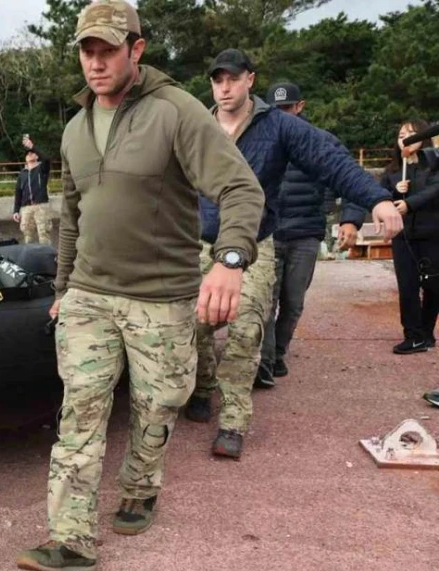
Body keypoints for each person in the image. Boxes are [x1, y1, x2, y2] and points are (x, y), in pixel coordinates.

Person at [15, 0, 266, 571]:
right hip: (89, 297)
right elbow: (73, 217)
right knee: (80, 409)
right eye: (87, 51)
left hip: (163, 299)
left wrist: (228, 261)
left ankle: (142, 484)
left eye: (108, 49)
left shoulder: (176, 112)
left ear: (137, 48)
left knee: (158, 405)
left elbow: (240, 190)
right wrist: (63, 287)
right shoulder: (75, 128)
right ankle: (71, 538)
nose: (97, 62)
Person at [186, 49, 402, 460]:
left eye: (232, 78)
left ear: (251, 79)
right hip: (201, 243)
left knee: (247, 329)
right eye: (217, 80)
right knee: (193, 326)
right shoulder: (196, 125)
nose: (225, 87)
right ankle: (203, 384)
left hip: (254, 242)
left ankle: (233, 420)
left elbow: (329, 159)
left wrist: (376, 199)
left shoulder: (279, 126)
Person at [256, 82, 368, 387]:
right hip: (269, 233)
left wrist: (351, 220)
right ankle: (263, 364)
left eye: (287, 108)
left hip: (305, 233)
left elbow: (352, 179)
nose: (282, 114)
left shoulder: (320, 141)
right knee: (265, 301)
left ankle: (278, 353)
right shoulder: (259, 141)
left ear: (300, 106)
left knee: (292, 303)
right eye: (276, 110)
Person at [382, 119, 439, 354]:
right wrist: (396, 192)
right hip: (403, 236)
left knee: (434, 285)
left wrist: (410, 203)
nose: (405, 137)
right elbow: (382, 198)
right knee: (407, 285)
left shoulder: (433, 165)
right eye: (401, 134)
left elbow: (435, 190)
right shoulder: (393, 171)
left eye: (411, 133)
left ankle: (427, 331)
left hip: (432, 233)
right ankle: (413, 335)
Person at [13, 135, 54, 245]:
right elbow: (18, 192)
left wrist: (32, 146)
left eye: (32, 152)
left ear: (37, 156)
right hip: (26, 208)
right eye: (28, 153)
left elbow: (46, 158)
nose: (30, 154)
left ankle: (46, 259)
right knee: (27, 237)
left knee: (44, 235)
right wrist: (16, 210)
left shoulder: (42, 168)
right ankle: (30, 259)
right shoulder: (22, 174)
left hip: (41, 206)